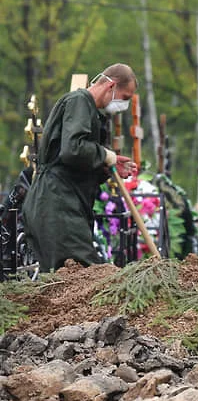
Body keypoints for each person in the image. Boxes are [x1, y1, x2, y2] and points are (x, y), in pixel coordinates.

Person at [22, 64, 138, 273]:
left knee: (69, 281)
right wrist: (106, 155)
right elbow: (72, 150)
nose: (125, 105)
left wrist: (105, 167)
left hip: (64, 202)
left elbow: (73, 164)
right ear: (110, 85)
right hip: (57, 204)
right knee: (84, 275)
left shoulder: (88, 109)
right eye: (125, 97)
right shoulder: (79, 101)